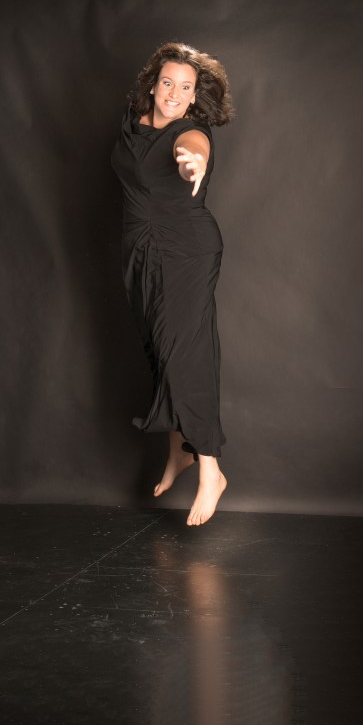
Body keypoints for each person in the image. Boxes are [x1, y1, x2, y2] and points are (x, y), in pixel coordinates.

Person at [110, 41, 236, 526]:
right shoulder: (134, 122)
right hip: (140, 249)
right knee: (160, 351)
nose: (174, 95)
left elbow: (192, 150)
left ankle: (210, 469)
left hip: (186, 250)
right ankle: (178, 452)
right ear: (153, 84)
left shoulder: (190, 132)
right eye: (168, 83)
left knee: (185, 353)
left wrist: (193, 163)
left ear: (194, 96)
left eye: (186, 88)